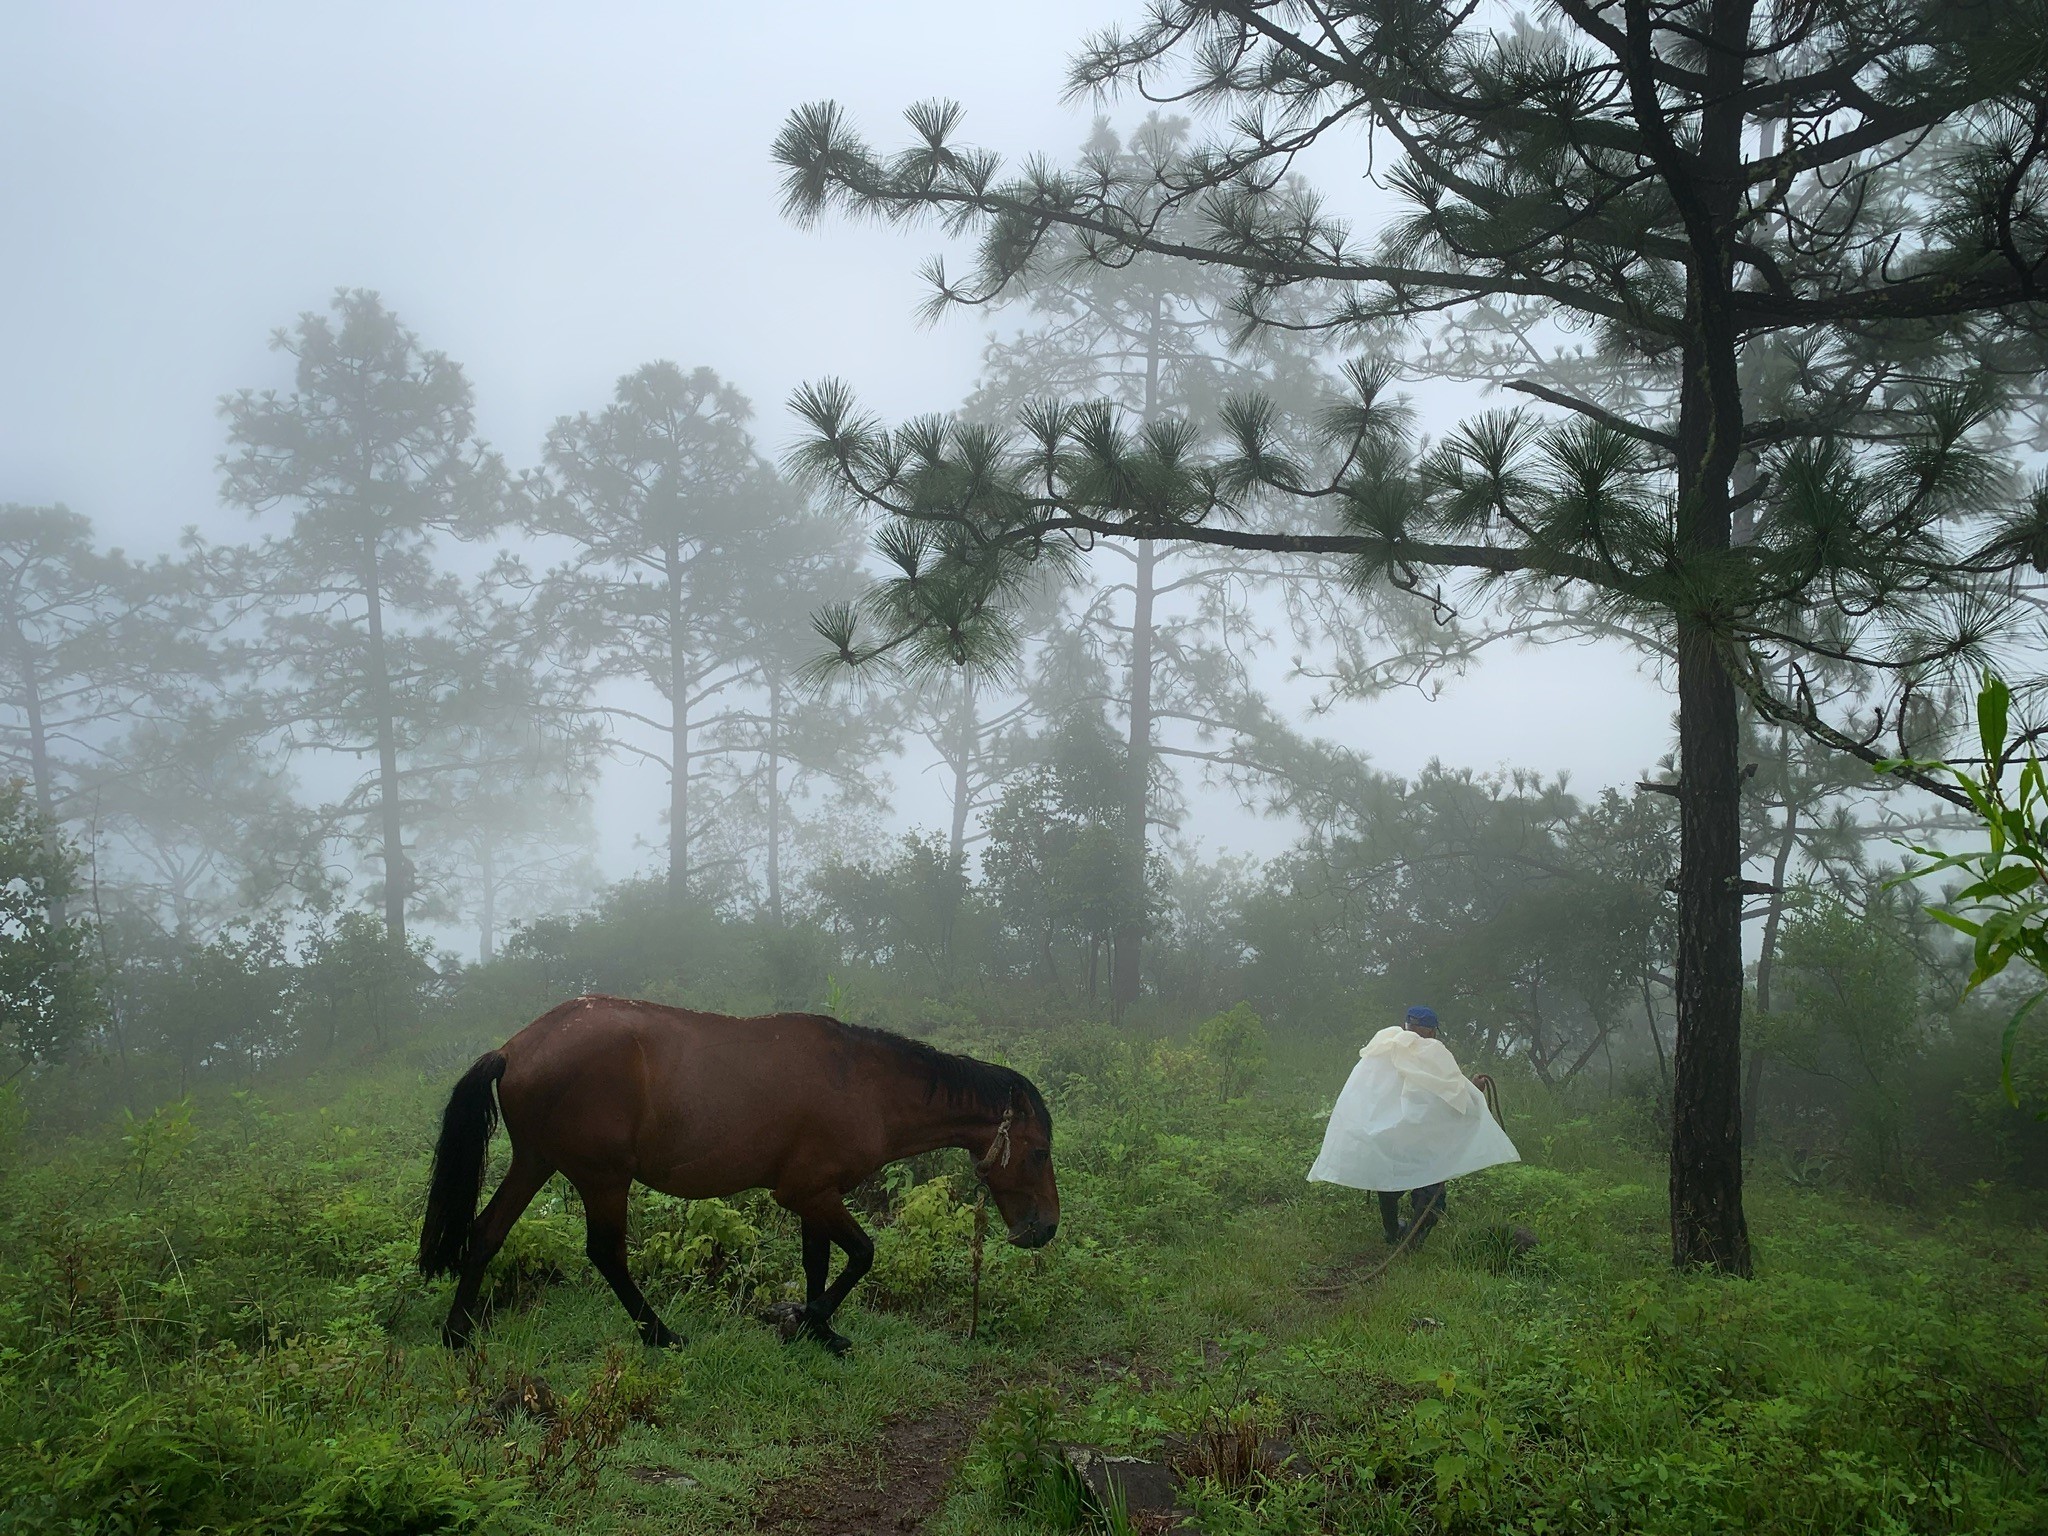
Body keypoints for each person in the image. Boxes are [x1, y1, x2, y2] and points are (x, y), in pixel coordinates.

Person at [1307, 1005, 1519, 1251]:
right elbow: (1452, 1095)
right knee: (1431, 1192)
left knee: (1389, 1184)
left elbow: (1362, 1095)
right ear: (1430, 1031)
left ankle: (1393, 1231)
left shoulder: (1383, 1047)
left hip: (1391, 1137)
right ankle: (1411, 1242)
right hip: (1424, 1140)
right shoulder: (1432, 1053)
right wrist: (1475, 1087)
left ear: (1407, 1025)